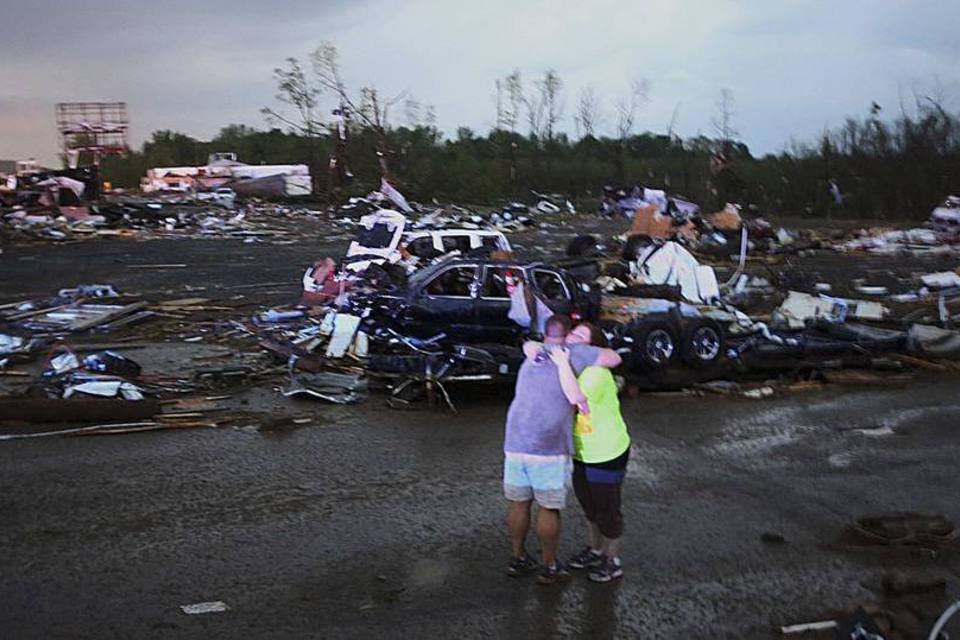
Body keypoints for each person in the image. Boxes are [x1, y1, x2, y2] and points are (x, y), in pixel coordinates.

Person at [503, 314, 621, 585]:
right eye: (575, 334)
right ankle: (550, 566)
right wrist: (585, 348)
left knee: (519, 502)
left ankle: (517, 558)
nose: (576, 339)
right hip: (548, 444)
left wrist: (529, 346)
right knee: (548, 508)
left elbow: (532, 347)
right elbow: (614, 359)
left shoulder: (533, 353)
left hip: (516, 438)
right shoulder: (576, 353)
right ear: (567, 333)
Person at [554, 322, 631, 583]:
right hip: (583, 452)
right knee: (590, 507)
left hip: (606, 451)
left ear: (594, 346)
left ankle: (612, 560)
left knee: (608, 510)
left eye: (581, 337)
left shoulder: (595, 373)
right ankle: (595, 550)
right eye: (573, 333)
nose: (573, 338)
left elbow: (571, 401)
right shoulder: (575, 366)